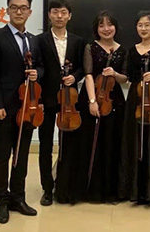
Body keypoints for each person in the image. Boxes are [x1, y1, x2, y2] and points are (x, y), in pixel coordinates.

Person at [55, 10, 128, 204]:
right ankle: (88, 188)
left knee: (111, 142)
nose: (106, 29)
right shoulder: (90, 47)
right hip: (91, 97)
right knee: (87, 143)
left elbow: (124, 78)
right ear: (97, 29)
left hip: (114, 100)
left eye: (109, 24)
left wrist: (114, 74)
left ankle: (109, 189)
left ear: (115, 27)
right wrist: (92, 101)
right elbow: (88, 74)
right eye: (101, 25)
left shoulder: (122, 50)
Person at [0, 0, 44, 224]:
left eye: (23, 8)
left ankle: (18, 197)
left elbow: (41, 67)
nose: (19, 12)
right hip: (4, 107)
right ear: (7, 10)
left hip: (28, 106)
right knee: (2, 154)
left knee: (22, 153)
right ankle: (1, 200)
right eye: (14, 7)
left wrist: (37, 73)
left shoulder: (34, 40)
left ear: (30, 12)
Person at [117, 11, 150, 204]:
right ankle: (133, 189)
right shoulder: (132, 50)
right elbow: (127, 77)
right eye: (140, 25)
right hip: (135, 98)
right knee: (134, 139)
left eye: (147, 25)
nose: (143, 28)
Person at [36, 0, 85, 206]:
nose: (59, 16)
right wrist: (38, 99)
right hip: (47, 99)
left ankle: (65, 184)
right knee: (45, 145)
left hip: (69, 100)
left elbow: (83, 67)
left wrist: (75, 76)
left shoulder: (78, 41)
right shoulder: (39, 40)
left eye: (63, 12)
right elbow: (38, 67)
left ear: (69, 16)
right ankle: (47, 188)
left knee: (68, 144)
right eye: (55, 12)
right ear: (49, 15)